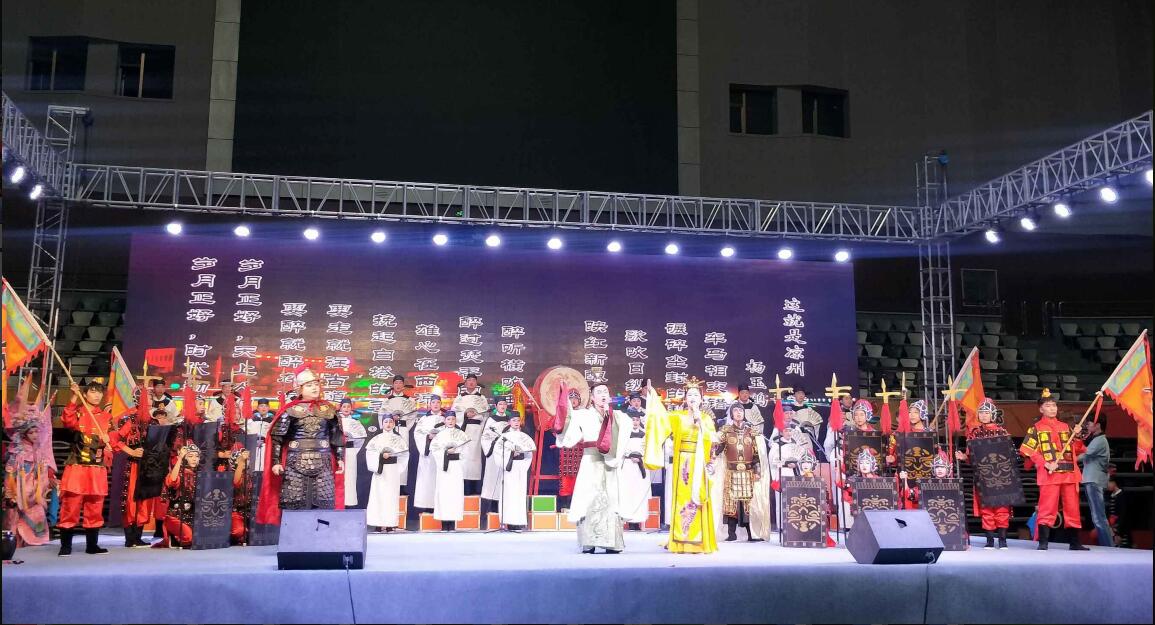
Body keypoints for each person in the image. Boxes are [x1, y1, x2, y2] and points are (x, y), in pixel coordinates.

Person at [256, 366, 345, 524]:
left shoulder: (329, 409)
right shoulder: (290, 410)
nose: (315, 388)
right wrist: (276, 462)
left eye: (316, 384)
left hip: (323, 461)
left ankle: (320, 535)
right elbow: (278, 437)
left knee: (323, 503)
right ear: (300, 389)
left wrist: (339, 458)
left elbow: (336, 436)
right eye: (309, 385)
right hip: (295, 462)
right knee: (294, 502)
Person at [644, 377, 719, 554]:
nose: (692, 398)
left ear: (701, 399)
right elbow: (659, 419)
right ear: (685, 399)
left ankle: (699, 541)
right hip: (682, 463)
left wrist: (700, 423)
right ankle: (680, 541)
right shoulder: (677, 417)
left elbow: (713, 441)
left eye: (696, 395)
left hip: (699, 463)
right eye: (689, 395)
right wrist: (652, 397)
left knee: (697, 497)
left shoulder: (706, 418)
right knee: (682, 499)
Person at [557, 381, 630, 554]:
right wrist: (563, 403)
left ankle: (611, 542)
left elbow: (627, 429)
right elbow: (568, 427)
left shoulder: (618, 416)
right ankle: (589, 542)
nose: (603, 394)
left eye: (605, 391)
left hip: (610, 463)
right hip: (591, 461)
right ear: (592, 397)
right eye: (599, 392)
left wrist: (609, 416)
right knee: (588, 498)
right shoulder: (583, 415)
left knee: (611, 498)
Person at [1019, 388, 1088, 551]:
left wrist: (1077, 436)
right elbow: (1028, 450)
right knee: (1047, 507)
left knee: (1072, 507)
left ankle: (1075, 542)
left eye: (1054, 405)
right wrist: (1045, 463)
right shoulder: (1035, 428)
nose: (1052, 408)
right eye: (1048, 406)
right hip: (1049, 474)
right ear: (1041, 409)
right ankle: (1043, 542)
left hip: (1069, 473)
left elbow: (1077, 449)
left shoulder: (1065, 427)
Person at [57, 381, 114, 556]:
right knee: (71, 505)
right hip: (77, 466)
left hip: (97, 468)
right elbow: (67, 420)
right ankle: (66, 546)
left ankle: (92, 545)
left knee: (95, 506)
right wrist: (74, 396)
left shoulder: (106, 417)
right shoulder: (78, 412)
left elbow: (114, 441)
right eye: (93, 391)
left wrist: (109, 440)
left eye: (100, 392)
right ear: (85, 393)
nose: (97, 395)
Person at [955, 398, 1013, 549]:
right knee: (986, 509)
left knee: (1001, 508)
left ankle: (1002, 540)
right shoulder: (974, 433)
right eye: (981, 412)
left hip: (1001, 476)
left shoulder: (1002, 432)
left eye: (987, 412)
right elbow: (971, 457)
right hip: (983, 476)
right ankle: (990, 540)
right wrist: (964, 457)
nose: (984, 415)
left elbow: (1010, 455)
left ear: (993, 414)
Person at [4, 396, 56, 547]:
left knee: (37, 512)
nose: (35, 435)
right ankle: (14, 543)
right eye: (31, 432)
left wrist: (41, 487)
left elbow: (42, 473)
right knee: (14, 517)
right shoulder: (18, 452)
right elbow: (10, 474)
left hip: (35, 491)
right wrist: (11, 493)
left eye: (36, 432)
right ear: (24, 433)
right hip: (19, 491)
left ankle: (35, 540)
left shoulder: (38, 451)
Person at [715, 402, 763, 542]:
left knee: (748, 503)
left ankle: (751, 533)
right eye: (735, 410)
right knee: (731, 503)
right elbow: (717, 449)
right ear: (731, 414)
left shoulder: (751, 432)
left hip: (748, 473)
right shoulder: (725, 431)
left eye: (740, 410)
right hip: (731, 472)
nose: (738, 413)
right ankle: (731, 534)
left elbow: (757, 454)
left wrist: (757, 470)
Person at [365, 412, 408, 533]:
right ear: (382, 423)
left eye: (390, 422)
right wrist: (380, 456)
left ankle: (390, 524)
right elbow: (370, 452)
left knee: (391, 497)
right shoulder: (376, 437)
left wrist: (398, 468)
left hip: (392, 470)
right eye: (386, 422)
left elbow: (404, 454)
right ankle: (378, 524)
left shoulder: (398, 438)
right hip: (380, 470)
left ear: (394, 424)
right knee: (378, 496)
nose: (388, 424)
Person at [410, 395, 451, 523]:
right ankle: (428, 506)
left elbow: (451, 433)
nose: (436, 404)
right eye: (433, 402)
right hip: (428, 455)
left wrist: (439, 437)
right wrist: (428, 437)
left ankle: (441, 506)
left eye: (438, 402)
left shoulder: (446, 418)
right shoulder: (423, 419)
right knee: (427, 479)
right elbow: (418, 434)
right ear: (430, 404)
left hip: (441, 454)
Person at [480, 393, 518, 529]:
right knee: (491, 482)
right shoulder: (491, 420)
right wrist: (494, 443)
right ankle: (486, 516)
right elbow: (485, 437)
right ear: (496, 406)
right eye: (500, 404)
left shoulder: (510, 419)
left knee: (504, 482)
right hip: (494, 455)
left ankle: (502, 513)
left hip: (506, 454)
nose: (502, 406)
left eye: (504, 404)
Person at [430, 412, 471, 531]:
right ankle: (444, 523)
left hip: (456, 467)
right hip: (444, 468)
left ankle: (452, 523)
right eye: (448, 419)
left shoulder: (461, 435)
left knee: (455, 493)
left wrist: (458, 455)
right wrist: (446, 452)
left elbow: (467, 451)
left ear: (455, 421)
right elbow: (435, 450)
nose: (451, 421)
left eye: (453, 419)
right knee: (443, 493)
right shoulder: (440, 435)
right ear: (445, 421)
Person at [494, 414, 536, 531]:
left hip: (520, 467)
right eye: (514, 420)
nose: (516, 422)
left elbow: (529, 453)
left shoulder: (524, 436)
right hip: (510, 467)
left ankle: (519, 521)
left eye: (518, 420)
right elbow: (498, 452)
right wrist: (512, 454)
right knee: (509, 494)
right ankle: (509, 521)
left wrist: (523, 461)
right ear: (509, 422)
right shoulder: (504, 437)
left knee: (520, 494)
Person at [452, 375, 490, 497]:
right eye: (469, 380)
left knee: (475, 458)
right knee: (464, 456)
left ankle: (475, 487)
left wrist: (477, 415)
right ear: (465, 383)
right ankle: (464, 487)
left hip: (477, 430)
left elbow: (486, 415)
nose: (471, 382)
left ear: (476, 383)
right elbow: (454, 413)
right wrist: (465, 414)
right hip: (464, 428)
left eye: (473, 380)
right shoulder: (460, 398)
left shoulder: (482, 398)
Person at [1077, 420, 1112, 547]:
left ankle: (1108, 546)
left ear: (1098, 425)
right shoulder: (1098, 440)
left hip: (1094, 480)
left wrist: (1066, 459)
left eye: (1090, 423)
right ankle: (1107, 545)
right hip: (1093, 479)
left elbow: (1084, 455)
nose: (1087, 425)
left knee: (1098, 517)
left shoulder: (1099, 440)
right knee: (1097, 516)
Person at [383, 375, 418, 485]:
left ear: (403, 385)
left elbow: (412, 417)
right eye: (396, 383)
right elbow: (381, 416)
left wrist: (405, 427)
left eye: (400, 383)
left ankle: (401, 484)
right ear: (393, 385)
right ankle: (389, 482)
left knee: (402, 454)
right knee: (390, 452)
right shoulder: (387, 401)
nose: (398, 385)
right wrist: (389, 425)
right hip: (390, 430)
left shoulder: (409, 400)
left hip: (403, 430)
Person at [619, 408, 650, 531]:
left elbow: (646, 448)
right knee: (627, 491)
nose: (635, 422)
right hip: (627, 465)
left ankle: (638, 520)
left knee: (639, 491)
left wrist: (639, 456)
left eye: (637, 420)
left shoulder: (644, 434)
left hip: (639, 466)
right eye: (633, 420)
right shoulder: (624, 434)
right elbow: (621, 448)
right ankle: (627, 519)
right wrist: (630, 455)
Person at [338, 398, 367, 508]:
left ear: (351, 408)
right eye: (344, 406)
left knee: (350, 476)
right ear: (340, 408)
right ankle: (338, 501)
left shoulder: (356, 422)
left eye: (348, 407)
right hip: (338, 452)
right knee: (339, 476)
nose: (346, 409)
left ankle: (349, 502)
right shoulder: (336, 421)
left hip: (350, 451)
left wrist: (353, 450)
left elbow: (360, 439)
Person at [1105, 477, 1130, 547]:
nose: (1107, 486)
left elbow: (1123, 513)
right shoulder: (1111, 495)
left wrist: (1117, 527)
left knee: (1122, 545)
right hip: (1112, 525)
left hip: (1121, 526)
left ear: (1114, 483)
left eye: (1108, 483)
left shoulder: (1122, 495)